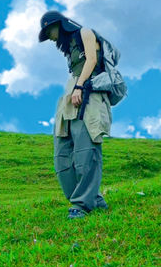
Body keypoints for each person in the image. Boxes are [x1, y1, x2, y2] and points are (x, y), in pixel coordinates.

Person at [39, 11, 113, 219]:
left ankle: (82, 205)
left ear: (59, 25)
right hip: (72, 92)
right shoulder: (70, 47)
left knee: (86, 150)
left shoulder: (85, 32)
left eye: (50, 31)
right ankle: (93, 199)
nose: (51, 37)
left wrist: (80, 86)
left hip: (89, 92)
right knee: (62, 154)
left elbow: (91, 59)